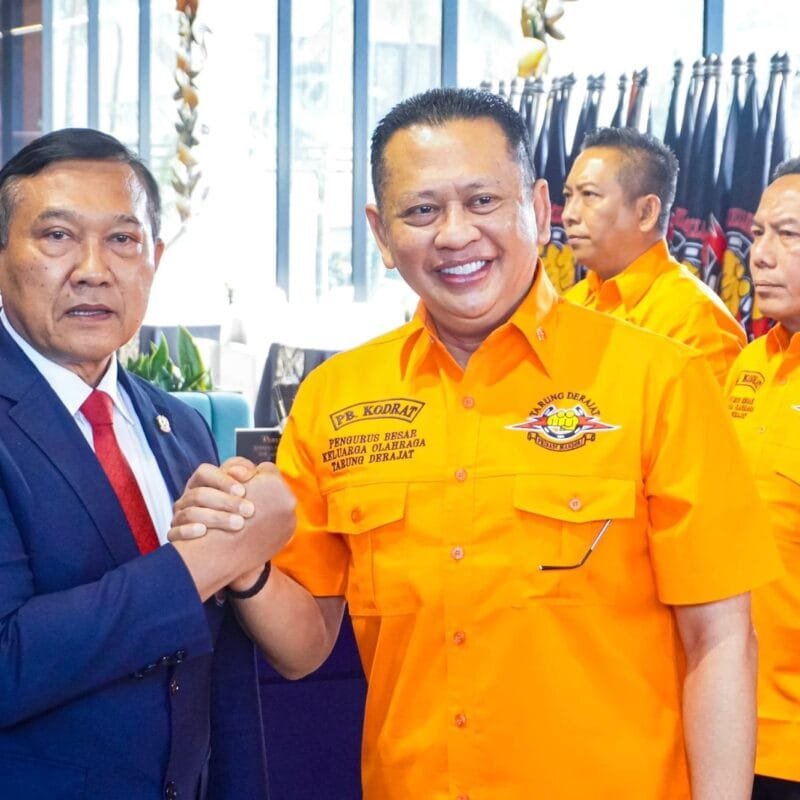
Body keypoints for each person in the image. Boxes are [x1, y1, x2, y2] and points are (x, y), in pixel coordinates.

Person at [171, 88, 780, 800]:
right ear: (380, 232)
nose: (456, 234)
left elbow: (720, 640)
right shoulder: (337, 400)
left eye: (484, 201)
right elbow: (304, 648)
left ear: (540, 209)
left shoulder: (660, 379)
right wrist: (242, 558)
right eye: (421, 211)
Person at [0, 128, 296, 799]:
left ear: (154, 258)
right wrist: (205, 562)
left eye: (123, 239)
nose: (93, 269)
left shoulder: (181, 427)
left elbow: (214, 675)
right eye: (57, 236)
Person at [725, 158, 800, 800]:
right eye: (757, 235)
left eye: (789, 235)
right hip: (732, 717)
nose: (761, 256)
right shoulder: (751, 363)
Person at [563, 126, 745, 384]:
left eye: (589, 195)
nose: (569, 214)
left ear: (646, 212)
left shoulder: (695, 318)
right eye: (568, 196)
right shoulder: (572, 301)